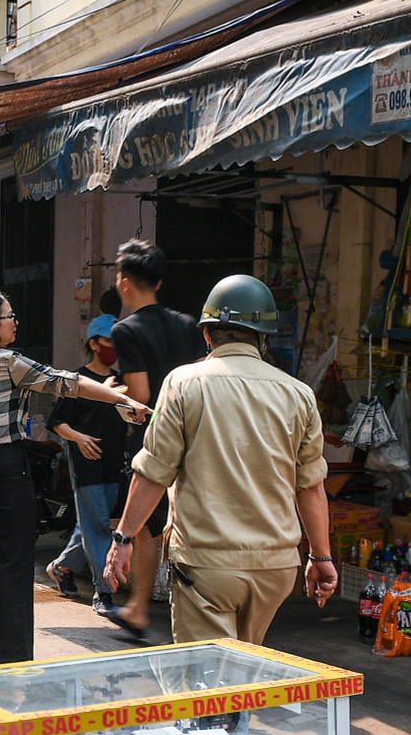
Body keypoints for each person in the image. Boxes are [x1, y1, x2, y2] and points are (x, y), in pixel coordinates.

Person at [103, 275, 335, 645]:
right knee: (244, 673)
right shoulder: (299, 394)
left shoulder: (184, 383)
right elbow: (311, 487)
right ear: (262, 337)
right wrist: (321, 558)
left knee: (205, 686)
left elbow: (153, 473)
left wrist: (123, 538)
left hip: (208, 566)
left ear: (208, 333)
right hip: (276, 568)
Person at [0, 289, 146, 666]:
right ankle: (12, 659)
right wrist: (122, 400)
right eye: (9, 316)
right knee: (14, 565)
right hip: (7, 468)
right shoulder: (9, 362)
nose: (15, 322)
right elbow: (66, 382)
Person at [106, 239, 207, 640]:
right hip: (195, 434)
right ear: (159, 283)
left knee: (145, 524)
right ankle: (162, 605)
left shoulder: (125, 330)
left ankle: (138, 608)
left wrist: (114, 391)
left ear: (126, 283)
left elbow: (141, 394)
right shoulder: (187, 324)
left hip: (153, 437)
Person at [47, 292, 126, 616]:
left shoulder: (121, 381)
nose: (115, 348)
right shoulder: (76, 381)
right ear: (95, 343)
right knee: (96, 528)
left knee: (89, 525)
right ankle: (103, 592)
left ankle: (62, 568)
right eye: (110, 341)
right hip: (86, 463)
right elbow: (56, 422)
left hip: (113, 464)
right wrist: (78, 438)